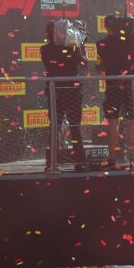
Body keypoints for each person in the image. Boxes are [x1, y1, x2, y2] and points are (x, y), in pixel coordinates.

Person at [96, 15, 134, 167]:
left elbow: (101, 67)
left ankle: (112, 157)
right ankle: (133, 158)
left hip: (112, 86)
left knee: (113, 122)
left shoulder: (101, 43)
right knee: (131, 121)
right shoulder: (130, 43)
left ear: (106, 27)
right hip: (130, 86)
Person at [41, 22, 89, 171]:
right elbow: (83, 62)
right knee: (61, 127)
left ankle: (71, 163)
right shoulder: (54, 48)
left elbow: (84, 63)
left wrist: (78, 45)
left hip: (65, 92)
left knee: (67, 127)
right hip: (62, 93)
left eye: (64, 32)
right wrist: (78, 46)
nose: (62, 34)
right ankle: (58, 164)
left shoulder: (68, 48)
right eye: (60, 32)